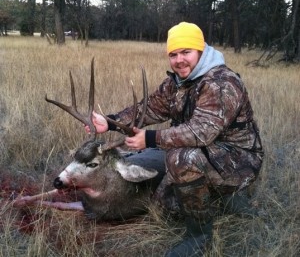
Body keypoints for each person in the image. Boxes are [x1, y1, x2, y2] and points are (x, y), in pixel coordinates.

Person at [86, 22, 264, 256]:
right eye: (173, 54)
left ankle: (199, 235)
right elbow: (149, 109)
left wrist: (149, 139)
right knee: (165, 205)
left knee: (181, 159)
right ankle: (222, 199)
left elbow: (201, 131)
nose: (179, 60)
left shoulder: (221, 82)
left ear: (200, 51)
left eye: (186, 52)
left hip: (237, 160)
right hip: (206, 154)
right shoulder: (177, 83)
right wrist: (110, 121)